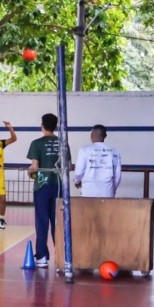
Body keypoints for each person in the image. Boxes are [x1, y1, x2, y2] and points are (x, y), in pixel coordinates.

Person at [27, 113, 66, 269]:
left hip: (42, 186)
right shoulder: (63, 143)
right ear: (56, 126)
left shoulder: (36, 143)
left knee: (42, 222)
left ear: (42, 126)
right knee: (58, 222)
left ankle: (42, 257)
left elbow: (34, 167)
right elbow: (67, 166)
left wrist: (29, 172)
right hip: (58, 186)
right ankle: (62, 258)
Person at [73, 124, 121, 198]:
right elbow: (117, 176)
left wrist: (77, 181)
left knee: (88, 210)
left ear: (91, 135)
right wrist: (112, 189)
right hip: (107, 191)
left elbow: (79, 171)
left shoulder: (84, 150)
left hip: (88, 191)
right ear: (105, 136)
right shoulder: (114, 152)